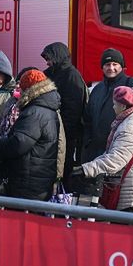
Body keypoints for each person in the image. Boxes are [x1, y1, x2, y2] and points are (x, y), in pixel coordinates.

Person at [75, 86, 133, 214]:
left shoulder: (130, 126)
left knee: (129, 232)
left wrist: (86, 169)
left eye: (115, 104)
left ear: (124, 106)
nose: (113, 108)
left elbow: (116, 159)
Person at [0, 68, 62, 201]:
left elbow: (18, 144)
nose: (19, 91)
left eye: (22, 88)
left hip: (28, 180)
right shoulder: (47, 109)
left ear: (29, 90)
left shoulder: (34, 112)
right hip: (38, 178)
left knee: (21, 219)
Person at [81, 49, 133, 199]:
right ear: (102, 67)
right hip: (98, 156)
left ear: (122, 66)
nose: (111, 68)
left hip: (125, 159)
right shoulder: (97, 89)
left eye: (115, 64)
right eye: (107, 64)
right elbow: (88, 120)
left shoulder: (132, 85)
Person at [41, 42, 86, 189]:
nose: (47, 62)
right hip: (52, 131)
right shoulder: (50, 73)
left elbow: (74, 109)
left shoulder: (72, 76)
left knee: (63, 168)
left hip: (66, 134)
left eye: (49, 58)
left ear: (58, 57)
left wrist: (61, 130)